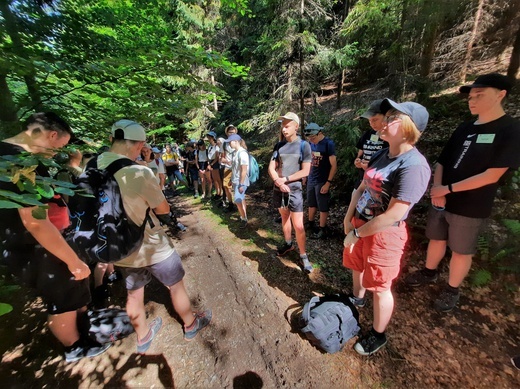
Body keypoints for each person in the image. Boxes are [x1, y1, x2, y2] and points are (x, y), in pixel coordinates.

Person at [404, 73, 520, 312]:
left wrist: (447, 189)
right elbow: (443, 161)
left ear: (501, 95)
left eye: (480, 95)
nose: (472, 100)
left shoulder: (510, 130)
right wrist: (438, 189)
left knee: (460, 249)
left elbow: (493, 174)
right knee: (436, 238)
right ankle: (429, 272)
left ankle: (452, 289)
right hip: (442, 198)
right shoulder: (465, 127)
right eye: (470, 96)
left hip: (472, 204)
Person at [0, 112, 110, 362]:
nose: (55, 153)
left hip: (47, 241)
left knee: (72, 290)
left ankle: (82, 334)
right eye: (58, 147)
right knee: (63, 297)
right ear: (51, 135)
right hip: (36, 246)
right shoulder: (16, 160)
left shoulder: (15, 155)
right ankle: (74, 347)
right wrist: (72, 260)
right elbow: (35, 222)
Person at [99, 119, 212, 352]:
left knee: (133, 294)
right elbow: (163, 209)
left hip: (118, 245)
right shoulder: (138, 172)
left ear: (112, 139)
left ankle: (143, 337)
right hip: (151, 244)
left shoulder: (92, 167)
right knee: (176, 286)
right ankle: (191, 324)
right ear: (141, 144)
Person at [342, 99, 431, 355]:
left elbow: (395, 214)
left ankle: (378, 334)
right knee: (356, 266)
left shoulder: (413, 166)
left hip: (383, 235)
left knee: (380, 286)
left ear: (406, 127)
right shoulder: (383, 153)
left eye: (392, 117)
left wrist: (357, 233)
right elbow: (362, 187)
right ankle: (356, 299)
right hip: (359, 224)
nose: (383, 120)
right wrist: (349, 219)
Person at [268, 112, 313, 273]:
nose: (284, 128)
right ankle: (288, 244)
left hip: (294, 190)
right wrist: (277, 181)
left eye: (287, 125)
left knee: (299, 225)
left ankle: (303, 254)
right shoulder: (279, 145)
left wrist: (284, 179)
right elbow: (271, 167)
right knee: (284, 217)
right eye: (282, 125)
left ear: (296, 126)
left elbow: (305, 171)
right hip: (279, 189)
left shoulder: (304, 145)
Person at [303, 122, 337, 239]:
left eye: (313, 137)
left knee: (322, 205)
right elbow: (308, 161)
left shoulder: (328, 144)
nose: (311, 140)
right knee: (311, 203)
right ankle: (310, 224)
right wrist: (305, 176)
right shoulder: (310, 144)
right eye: (309, 138)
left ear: (320, 133)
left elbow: (334, 165)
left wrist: (328, 183)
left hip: (323, 180)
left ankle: (322, 229)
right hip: (311, 178)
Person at [355, 99, 389, 187]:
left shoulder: (391, 138)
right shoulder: (367, 134)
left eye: (375, 120)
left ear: (387, 116)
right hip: (363, 179)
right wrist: (358, 161)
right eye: (369, 121)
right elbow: (360, 152)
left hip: (378, 183)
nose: (371, 124)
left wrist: (371, 167)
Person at [226, 134, 250, 224]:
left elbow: (244, 170)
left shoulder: (242, 153)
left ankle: (244, 219)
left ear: (236, 141)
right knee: (241, 199)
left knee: (237, 199)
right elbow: (235, 168)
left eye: (230, 142)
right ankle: (244, 216)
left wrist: (241, 184)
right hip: (236, 180)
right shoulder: (235, 153)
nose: (229, 144)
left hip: (241, 182)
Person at [220, 125, 238, 211]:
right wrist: (226, 161)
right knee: (226, 186)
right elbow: (222, 157)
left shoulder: (239, 141)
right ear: (227, 133)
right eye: (230, 132)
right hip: (227, 168)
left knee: (237, 187)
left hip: (237, 168)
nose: (231, 133)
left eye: (233, 132)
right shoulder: (224, 144)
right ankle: (231, 204)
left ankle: (240, 205)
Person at [207, 131, 223, 201]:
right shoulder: (210, 146)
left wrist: (211, 164)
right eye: (208, 137)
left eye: (210, 137)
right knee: (214, 179)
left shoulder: (216, 146)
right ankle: (217, 193)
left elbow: (217, 157)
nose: (208, 138)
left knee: (218, 179)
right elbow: (208, 155)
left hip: (215, 163)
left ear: (213, 138)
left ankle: (221, 193)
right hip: (211, 162)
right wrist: (209, 163)